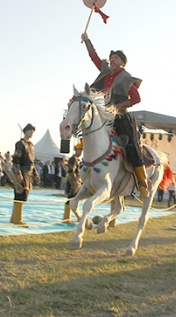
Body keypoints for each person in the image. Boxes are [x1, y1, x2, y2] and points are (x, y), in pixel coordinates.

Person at [81, 31, 148, 197]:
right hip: (104, 117)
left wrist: (117, 106)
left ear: (123, 63)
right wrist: (87, 40)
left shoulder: (126, 78)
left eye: (116, 58)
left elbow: (136, 98)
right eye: (112, 57)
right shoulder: (105, 72)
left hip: (119, 117)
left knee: (131, 146)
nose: (112, 59)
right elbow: (95, 58)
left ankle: (142, 183)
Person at [10, 123, 39, 227]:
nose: (31, 133)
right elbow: (16, 159)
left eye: (33, 131)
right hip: (22, 170)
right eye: (30, 130)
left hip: (29, 172)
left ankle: (14, 217)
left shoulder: (31, 145)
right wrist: (18, 173)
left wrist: (35, 172)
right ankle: (17, 219)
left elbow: (32, 160)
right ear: (25, 131)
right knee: (20, 193)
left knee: (24, 193)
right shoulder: (20, 144)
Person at [63, 140, 83, 223]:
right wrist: (75, 182)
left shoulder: (79, 160)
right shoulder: (73, 159)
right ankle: (66, 217)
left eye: (82, 150)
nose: (81, 151)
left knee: (74, 200)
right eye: (79, 149)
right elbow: (71, 171)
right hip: (72, 183)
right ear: (76, 150)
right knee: (70, 199)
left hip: (77, 183)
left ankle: (70, 216)